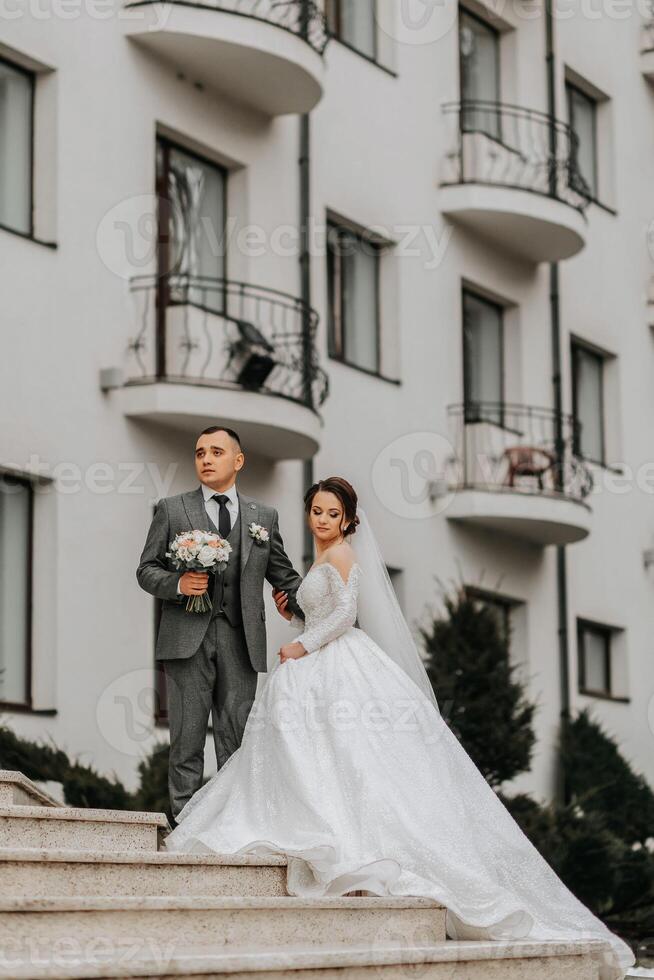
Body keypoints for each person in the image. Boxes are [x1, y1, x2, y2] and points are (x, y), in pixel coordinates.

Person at [162, 476, 635, 979]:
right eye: (316, 511)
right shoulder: (322, 558)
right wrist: (295, 618)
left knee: (353, 758)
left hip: (337, 664)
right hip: (316, 659)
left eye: (330, 513)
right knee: (321, 757)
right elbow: (319, 613)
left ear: (347, 519)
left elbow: (344, 614)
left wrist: (303, 645)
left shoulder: (342, 554)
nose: (321, 519)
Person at [136, 425, 304, 820]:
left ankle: (234, 827)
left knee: (237, 743)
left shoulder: (264, 516)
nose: (206, 459)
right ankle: (183, 828)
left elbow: (284, 576)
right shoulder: (172, 509)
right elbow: (145, 570)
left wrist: (317, 605)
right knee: (186, 741)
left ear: (238, 461)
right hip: (184, 643)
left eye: (215, 452)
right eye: (199, 453)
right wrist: (178, 583)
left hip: (241, 641)